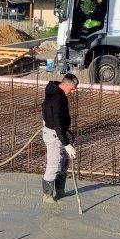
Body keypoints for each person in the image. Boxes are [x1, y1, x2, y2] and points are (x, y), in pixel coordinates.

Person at [41, 74, 79, 202]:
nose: (72, 92)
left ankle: (60, 191)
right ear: (65, 85)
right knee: (54, 165)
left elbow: (45, 107)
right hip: (54, 135)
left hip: (60, 133)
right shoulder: (57, 97)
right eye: (72, 89)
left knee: (63, 163)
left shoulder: (56, 92)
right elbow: (57, 124)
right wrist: (67, 144)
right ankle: (47, 196)